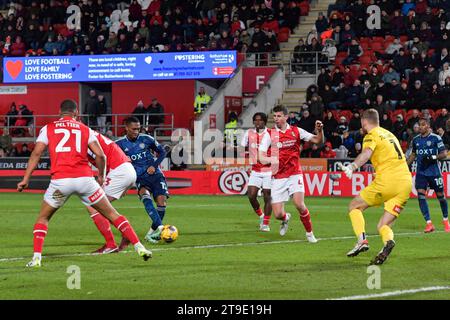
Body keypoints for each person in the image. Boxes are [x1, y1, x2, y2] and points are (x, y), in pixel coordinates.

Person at [17, 100, 152, 267]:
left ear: (60, 111)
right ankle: (139, 246)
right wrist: (105, 178)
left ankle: (37, 258)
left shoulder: (49, 128)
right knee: (111, 213)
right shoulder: (85, 129)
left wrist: (25, 179)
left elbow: (36, 154)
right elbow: (100, 155)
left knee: (44, 218)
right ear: (77, 113)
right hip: (98, 176)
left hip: (65, 180)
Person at [339, 109, 412, 265]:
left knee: (354, 206)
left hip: (388, 181)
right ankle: (388, 242)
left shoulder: (371, 135)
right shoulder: (390, 134)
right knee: (383, 225)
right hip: (406, 182)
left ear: (364, 122)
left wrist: (352, 166)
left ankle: (362, 241)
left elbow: (366, 153)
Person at [259, 105, 324, 243]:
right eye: (274, 116)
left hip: (295, 173)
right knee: (277, 214)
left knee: (299, 204)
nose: (276, 119)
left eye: (279, 116)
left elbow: (318, 140)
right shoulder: (269, 134)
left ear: (286, 117)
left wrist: (320, 131)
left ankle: (309, 233)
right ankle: (285, 218)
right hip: (278, 177)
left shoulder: (296, 131)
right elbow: (261, 156)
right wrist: (272, 159)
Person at [116, 116, 168, 243]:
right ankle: (161, 228)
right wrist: (124, 186)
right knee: (146, 197)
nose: (136, 131)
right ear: (126, 128)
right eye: (133, 129)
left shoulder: (147, 139)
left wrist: (154, 166)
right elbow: (116, 164)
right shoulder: (119, 144)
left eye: (138, 129)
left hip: (155, 175)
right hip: (139, 178)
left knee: (161, 203)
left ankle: (150, 234)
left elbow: (162, 152)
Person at [85, 131, 138, 253]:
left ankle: (111, 244)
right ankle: (124, 234)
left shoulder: (82, 136)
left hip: (118, 171)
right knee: (101, 207)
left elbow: (98, 157)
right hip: (126, 169)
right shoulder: (89, 134)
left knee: (93, 205)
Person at [406, 118, 450, 233]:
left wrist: (433, 157)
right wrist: (405, 166)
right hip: (421, 172)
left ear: (428, 126)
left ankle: (445, 220)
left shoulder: (436, 138)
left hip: (434, 172)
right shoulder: (416, 140)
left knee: (440, 195)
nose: (420, 127)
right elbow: (413, 154)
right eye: (419, 125)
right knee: (421, 194)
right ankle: (429, 224)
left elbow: (444, 154)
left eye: (423, 125)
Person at [240, 113, 272, 232]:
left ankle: (265, 223)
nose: (258, 122)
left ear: (265, 121)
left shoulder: (271, 134)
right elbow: (242, 148)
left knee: (267, 196)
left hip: (269, 170)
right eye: (255, 120)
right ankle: (261, 216)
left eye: (260, 120)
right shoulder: (248, 133)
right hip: (256, 170)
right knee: (251, 195)